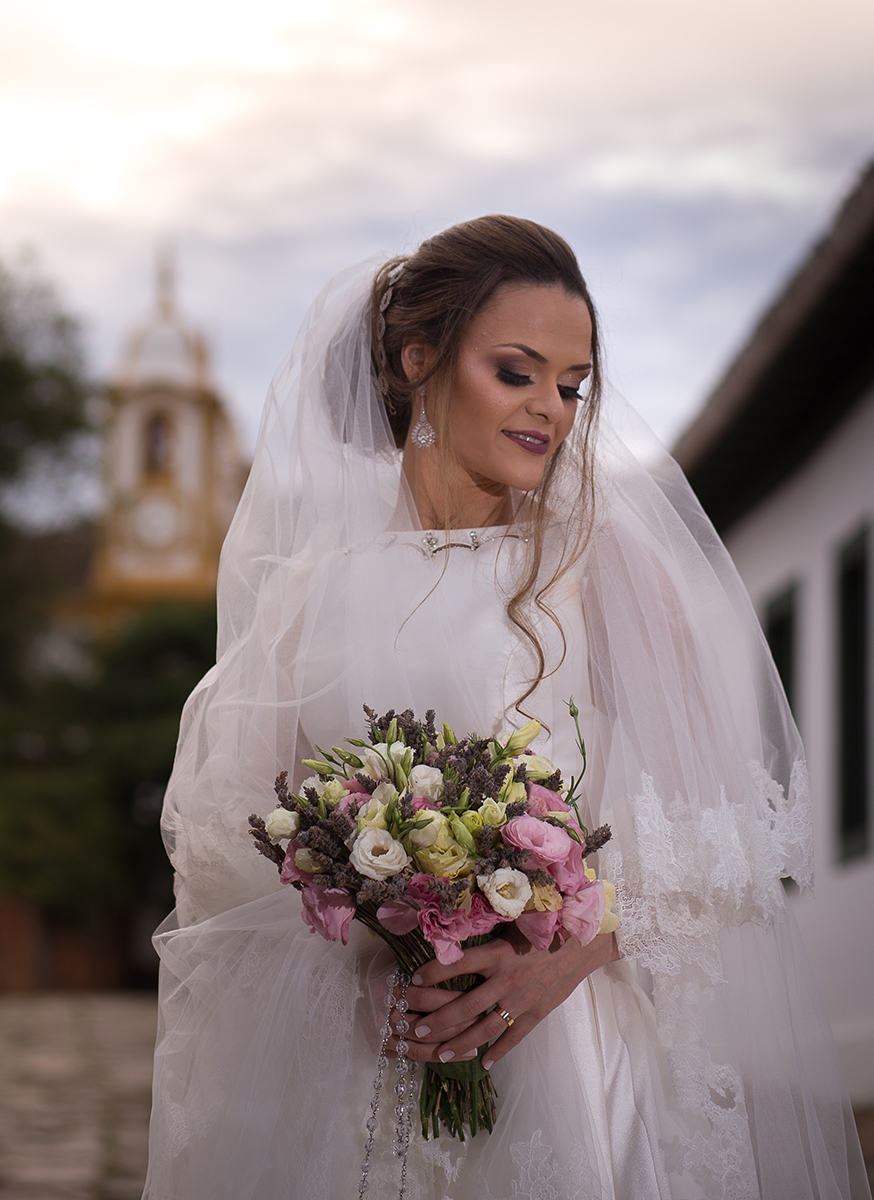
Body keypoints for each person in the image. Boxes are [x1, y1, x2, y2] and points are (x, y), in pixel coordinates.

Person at [143, 216, 870, 1200]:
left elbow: (727, 843)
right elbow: (230, 840)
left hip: (565, 1056)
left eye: (572, 385)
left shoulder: (600, 567)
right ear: (418, 363)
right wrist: (370, 945)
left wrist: (566, 952)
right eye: (517, 372)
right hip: (358, 1061)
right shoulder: (307, 596)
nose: (552, 411)